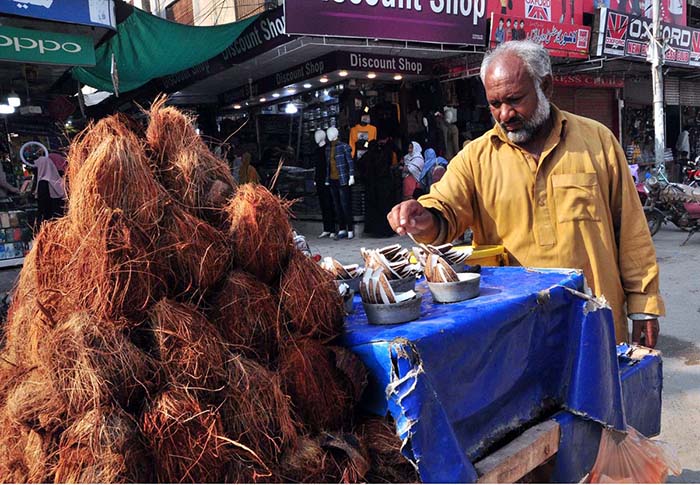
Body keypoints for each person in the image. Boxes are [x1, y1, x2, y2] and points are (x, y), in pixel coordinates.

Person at [387, 40, 664, 347]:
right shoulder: (475, 158)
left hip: (593, 319)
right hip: (513, 331)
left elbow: (631, 231)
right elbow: (443, 211)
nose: (504, 114)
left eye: (515, 99)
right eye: (494, 104)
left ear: (546, 86)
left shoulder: (598, 142)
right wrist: (422, 219)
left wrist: (643, 306)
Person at [358, 138, 396, 237]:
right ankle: (387, 230)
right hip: (384, 187)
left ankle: (375, 231)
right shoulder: (383, 155)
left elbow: (360, 167)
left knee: (374, 210)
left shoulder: (367, 157)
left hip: (371, 187)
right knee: (385, 209)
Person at [34, 156, 66, 225]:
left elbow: (43, 207)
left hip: (50, 221)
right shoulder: (59, 180)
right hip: (62, 219)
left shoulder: (43, 182)